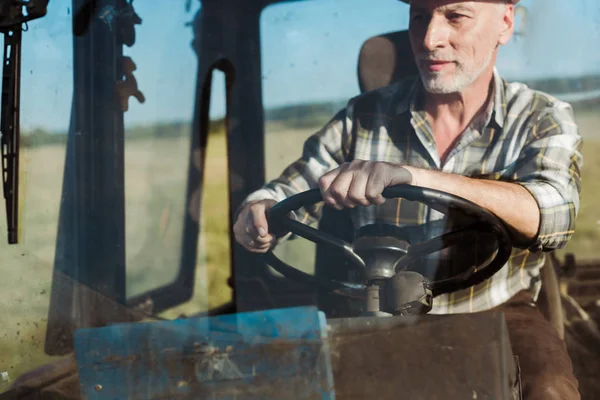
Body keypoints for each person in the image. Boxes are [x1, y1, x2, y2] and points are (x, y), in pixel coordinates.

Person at [234, 0, 582, 398]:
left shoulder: (539, 117)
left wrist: (415, 176)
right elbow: (289, 191)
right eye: (419, 16)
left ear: (504, 22)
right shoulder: (362, 118)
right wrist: (257, 212)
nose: (428, 38)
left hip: (494, 308)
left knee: (550, 387)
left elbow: (554, 215)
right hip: (376, 316)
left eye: (454, 15)